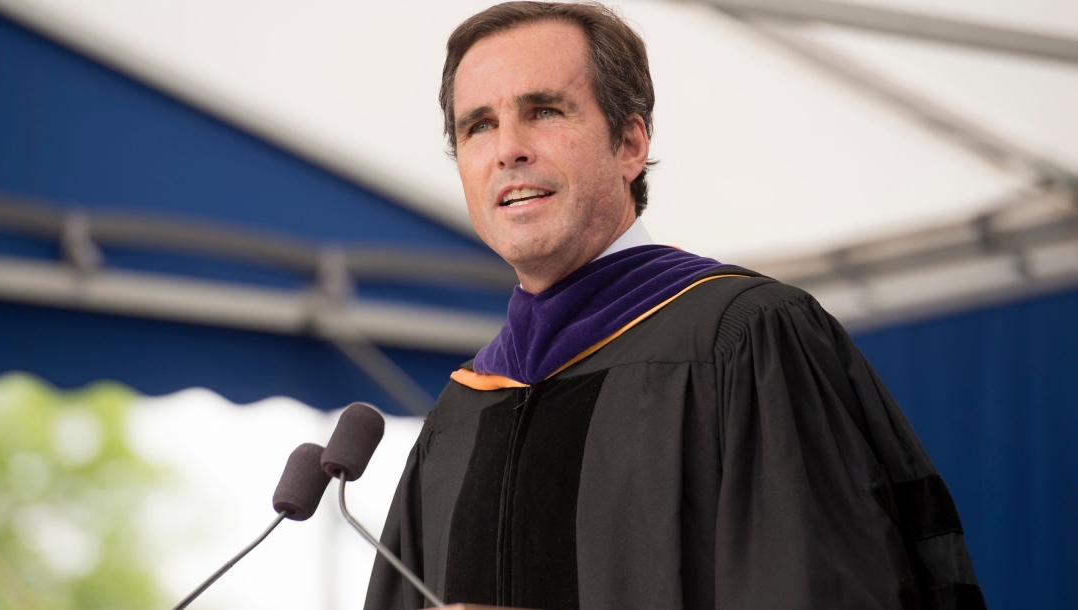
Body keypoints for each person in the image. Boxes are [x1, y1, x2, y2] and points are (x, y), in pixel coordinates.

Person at [365, 2, 984, 609]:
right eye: (479, 126)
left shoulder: (747, 343)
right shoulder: (463, 410)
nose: (509, 150)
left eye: (545, 110)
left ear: (630, 143)